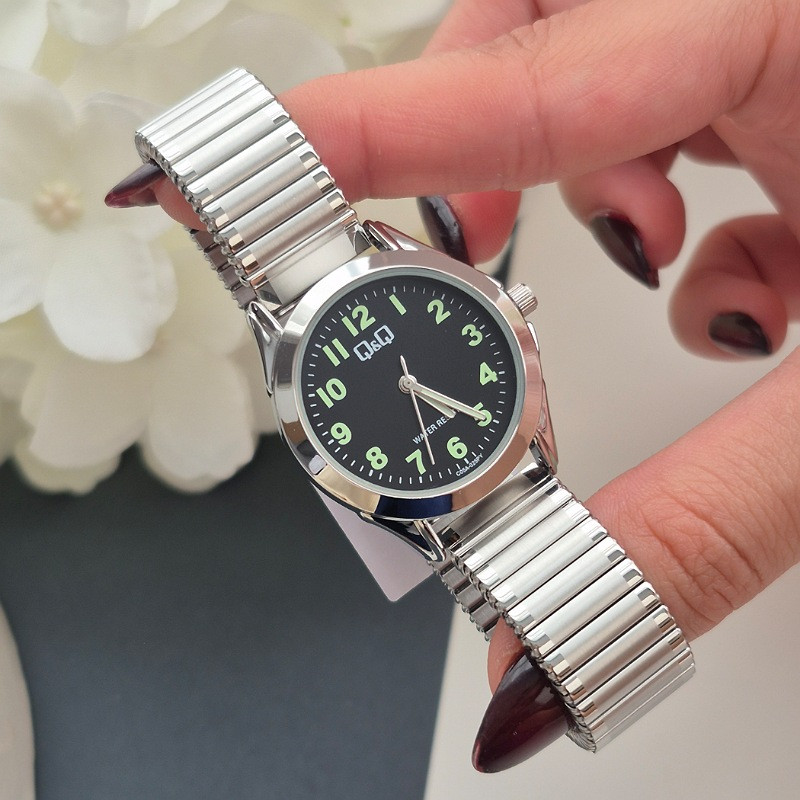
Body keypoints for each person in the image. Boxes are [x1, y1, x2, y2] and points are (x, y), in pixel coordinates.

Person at [106, 0, 800, 773]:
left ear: (506, 315)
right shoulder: (307, 344)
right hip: (457, 490)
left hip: (489, 468)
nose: (405, 379)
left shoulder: (382, 334)